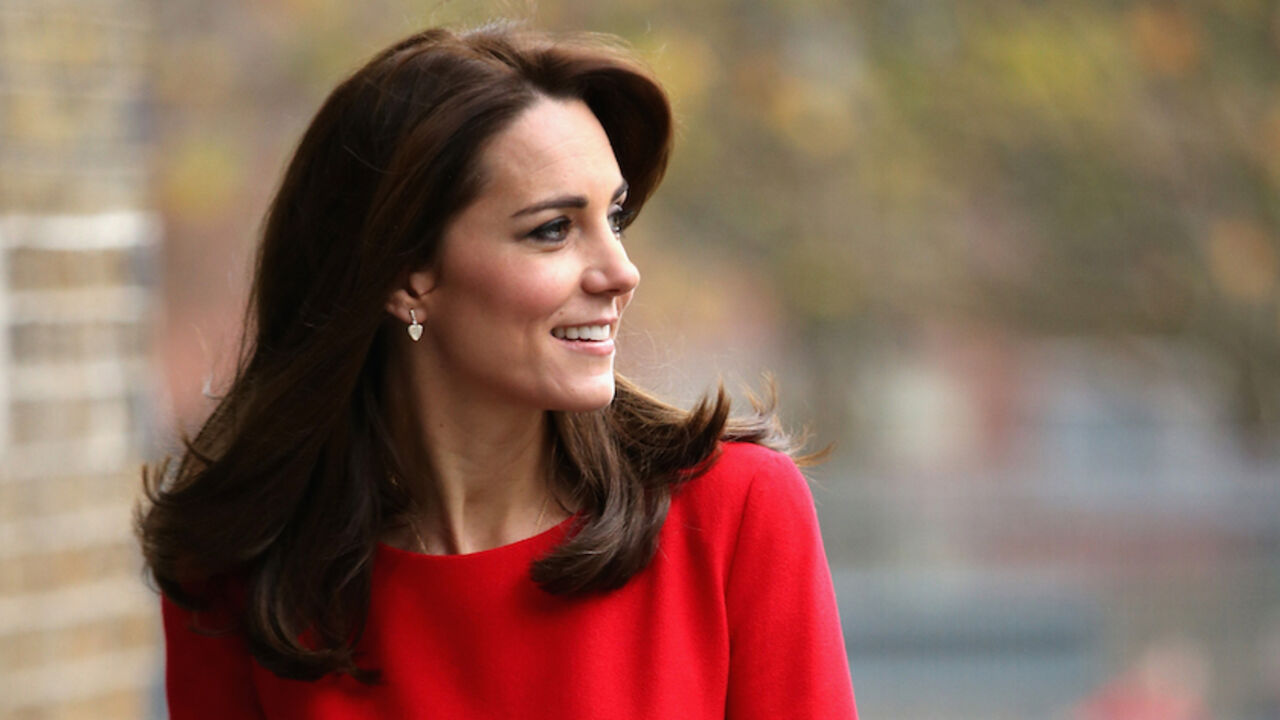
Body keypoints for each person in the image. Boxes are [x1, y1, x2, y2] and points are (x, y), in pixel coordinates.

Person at [137, 22, 857, 719]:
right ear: (408, 273)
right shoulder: (240, 576)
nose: (620, 271)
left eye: (616, 218)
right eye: (552, 230)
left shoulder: (734, 512)